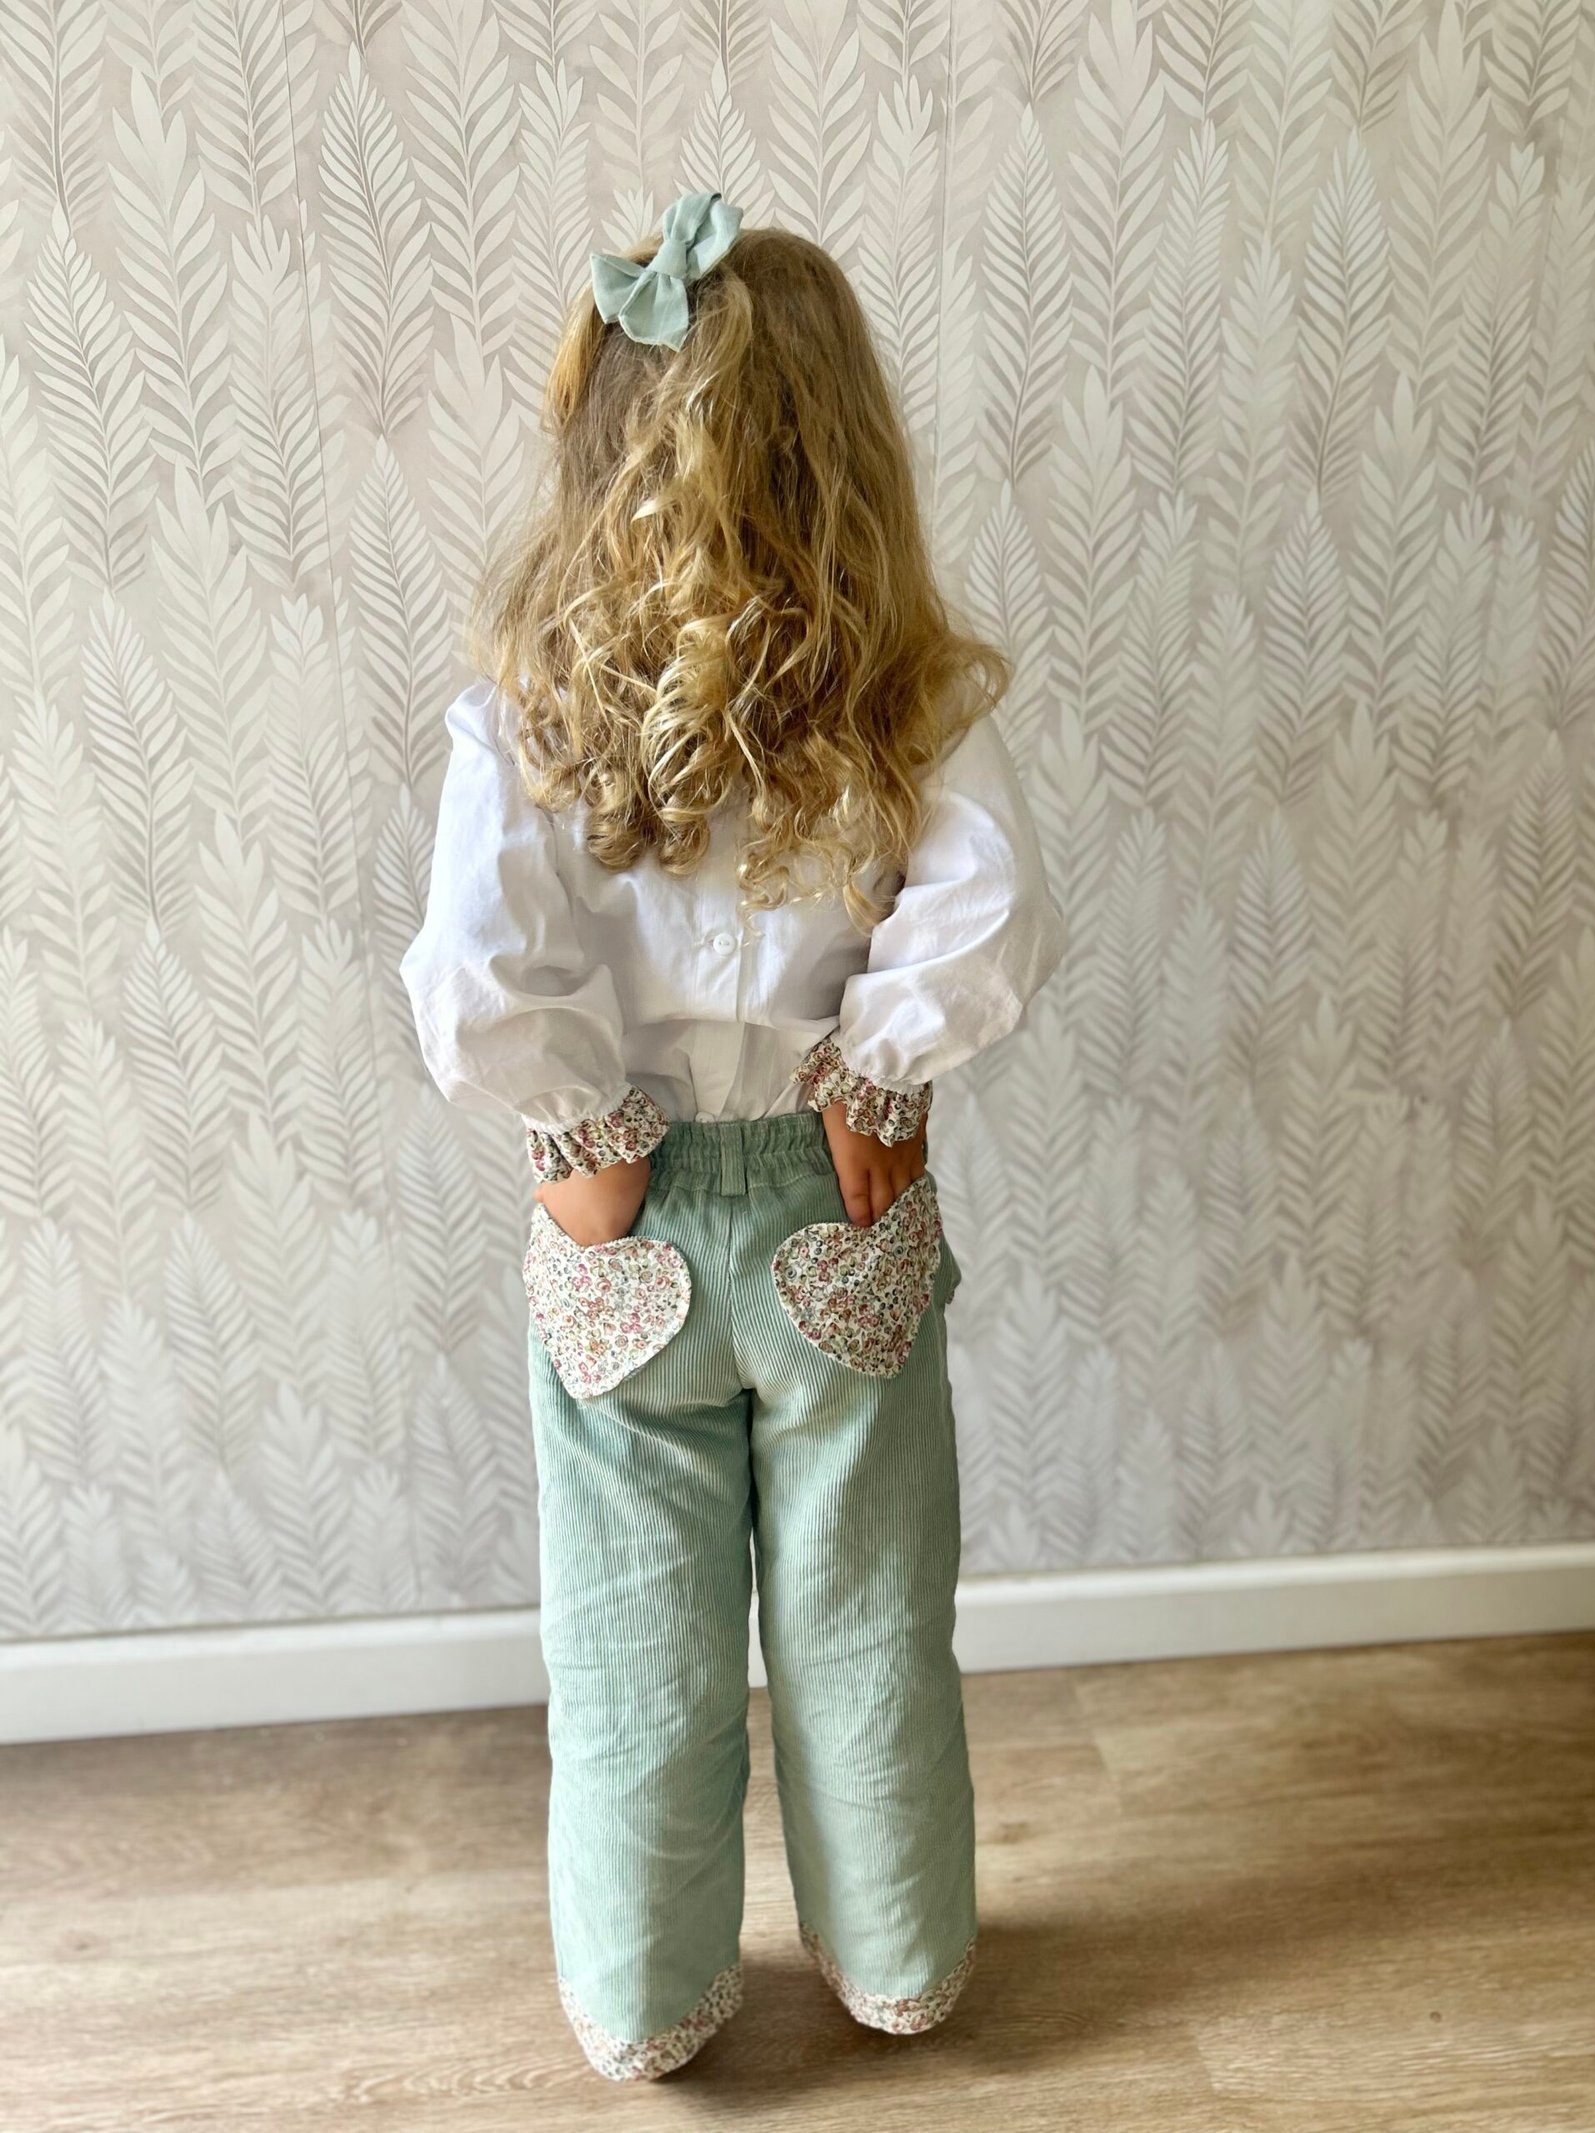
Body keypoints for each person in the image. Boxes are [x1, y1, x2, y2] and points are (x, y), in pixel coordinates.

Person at [400, 188, 1067, 2084]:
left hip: (621, 1223)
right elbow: (995, 902)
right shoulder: (900, 697)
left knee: (634, 1641)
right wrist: (874, 1076)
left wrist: (580, 1130)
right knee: (869, 1619)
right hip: (833, 1198)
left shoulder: (530, 707)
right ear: (848, 453)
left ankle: (645, 1993)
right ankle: (899, 1953)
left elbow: (475, 969)